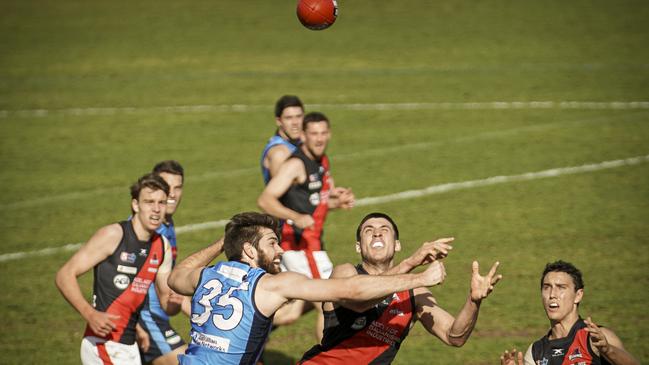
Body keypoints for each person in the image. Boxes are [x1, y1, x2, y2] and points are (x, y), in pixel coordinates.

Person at [167, 211, 447, 365]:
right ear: (250, 251)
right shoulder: (273, 285)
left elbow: (176, 276)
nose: (281, 250)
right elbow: (350, 291)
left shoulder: (205, 276)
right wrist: (418, 276)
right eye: (272, 243)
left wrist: (224, 242)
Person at [299, 212, 503, 364]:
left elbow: (454, 336)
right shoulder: (345, 273)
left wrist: (474, 301)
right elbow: (359, 299)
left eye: (384, 230)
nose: (377, 233)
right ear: (358, 247)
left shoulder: (414, 294)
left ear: (396, 245)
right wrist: (413, 268)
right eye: (368, 231)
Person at [56, 173, 182, 365]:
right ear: (135, 205)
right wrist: (90, 314)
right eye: (149, 202)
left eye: (161, 202)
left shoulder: (161, 245)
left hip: (128, 345)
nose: (156, 209)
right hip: (103, 344)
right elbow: (65, 275)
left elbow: (166, 302)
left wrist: (175, 302)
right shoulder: (113, 235)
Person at [257, 111, 355, 340]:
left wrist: (336, 201)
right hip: (299, 246)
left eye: (323, 133)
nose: (319, 139)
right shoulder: (295, 164)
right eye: (313, 134)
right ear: (303, 135)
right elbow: (265, 199)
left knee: (292, 310)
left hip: (313, 243)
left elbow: (313, 200)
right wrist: (295, 217)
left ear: (329, 134)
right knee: (329, 299)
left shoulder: (321, 161)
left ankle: (246, 329)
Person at [500, 260, 639, 365]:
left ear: (578, 295)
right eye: (547, 287)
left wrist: (608, 350)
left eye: (561, 287)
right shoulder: (536, 351)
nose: (552, 294)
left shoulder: (595, 337)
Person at [135, 161, 188, 365]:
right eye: (167, 187)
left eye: (178, 187)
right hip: (146, 318)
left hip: (158, 316)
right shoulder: (148, 231)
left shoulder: (167, 223)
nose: (173, 194)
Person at [260, 95, 305, 185]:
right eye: (289, 118)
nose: (295, 123)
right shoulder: (279, 153)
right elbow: (288, 195)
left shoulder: (303, 143)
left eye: (299, 116)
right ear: (279, 121)